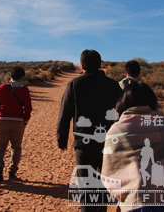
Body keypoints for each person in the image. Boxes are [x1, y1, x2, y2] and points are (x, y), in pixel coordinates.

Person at [101, 82, 164, 212]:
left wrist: (125, 196)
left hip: (139, 201)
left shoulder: (117, 130)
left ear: (123, 102)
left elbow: (110, 174)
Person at [57, 49, 123, 212]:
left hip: (83, 143)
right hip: (108, 144)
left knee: (87, 185)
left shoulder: (75, 84)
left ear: (82, 65)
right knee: (104, 182)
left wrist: (62, 138)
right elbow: (123, 113)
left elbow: (65, 113)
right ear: (99, 64)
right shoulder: (113, 85)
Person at [0, 66, 33, 183]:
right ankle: (11, 172)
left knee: (0, 145)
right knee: (16, 147)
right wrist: (25, 120)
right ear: (22, 77)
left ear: (10, 75)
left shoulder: (2, 87)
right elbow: (28, 108)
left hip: (3, 119)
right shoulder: (24, 90)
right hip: (18, 121)